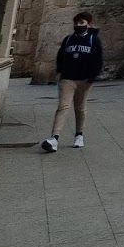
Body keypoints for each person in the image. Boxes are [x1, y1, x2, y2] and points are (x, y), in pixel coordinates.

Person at [40, 12, 103, 152]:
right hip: (67, 79)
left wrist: (92, 77)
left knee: (80, 108)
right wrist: (60, 72)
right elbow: (60, 56)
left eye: (81, 23)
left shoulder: (93, 40)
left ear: (89, 24)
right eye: (76, 23)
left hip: (84, 80)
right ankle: (54, 138)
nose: (78, 25)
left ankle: (79, 135)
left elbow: (98, 59)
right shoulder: (68, 39)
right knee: (63, 106)